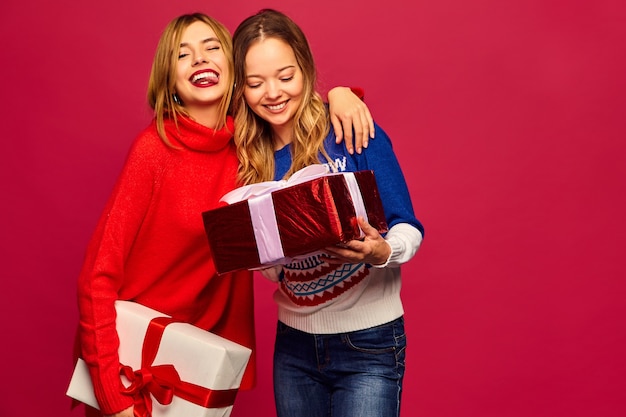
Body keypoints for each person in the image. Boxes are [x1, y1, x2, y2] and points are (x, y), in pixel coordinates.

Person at [75, 12, 374, 417]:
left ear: (235, 70)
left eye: (212, 47)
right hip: (135, 363)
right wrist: (113, 393)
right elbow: (97, 276)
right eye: (183, 54)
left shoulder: (251, 147)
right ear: (169, 79)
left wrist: (341, 94)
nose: (199, 59)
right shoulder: (153, 151)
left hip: (203, 366)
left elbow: (297, 114)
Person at [231, 9, 425, 417]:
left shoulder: (349, 128)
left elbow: (408, 225)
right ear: (241, 88)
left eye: (286, 77)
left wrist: (381, 252)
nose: (273, 93)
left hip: (370, 343)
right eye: (255, 83)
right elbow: (272, 272)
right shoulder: (249, 158)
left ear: (305, 67)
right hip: (294, 348)